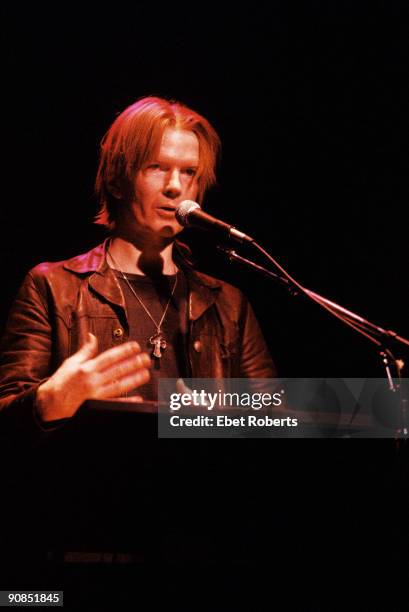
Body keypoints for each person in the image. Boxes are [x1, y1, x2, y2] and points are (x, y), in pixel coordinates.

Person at [0, 96, 275, 435]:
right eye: (157, 167)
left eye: (189, 172)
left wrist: (221, 419)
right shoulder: (54, 287)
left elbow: (274, 420)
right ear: (117, 180)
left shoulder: (228, 304)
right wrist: (50, 399)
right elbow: (7, 420)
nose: (175, 186)